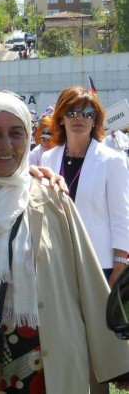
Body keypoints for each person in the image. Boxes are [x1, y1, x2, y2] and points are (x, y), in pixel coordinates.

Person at [0, 90, 129, 394]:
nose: (6, 145)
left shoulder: (51, 197)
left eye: (16, 133)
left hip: (45, 363)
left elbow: (88, 283)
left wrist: (115, 357)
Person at [42, 86, 129, 287]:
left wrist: (120, 266)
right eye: (71, 112)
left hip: (100, 263)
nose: (79, 118)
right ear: (61, 118)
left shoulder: (113, 161)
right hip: (58, 260)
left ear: (95, 120)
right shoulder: (48, 159)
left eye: (87, 113)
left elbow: (122, 219)